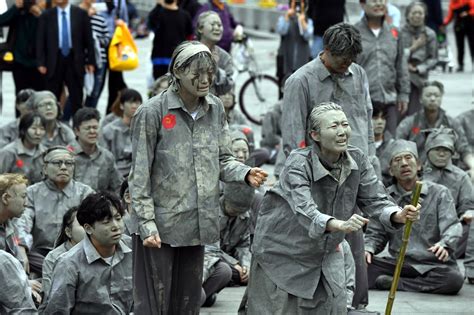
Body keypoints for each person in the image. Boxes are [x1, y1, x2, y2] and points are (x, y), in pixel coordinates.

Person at [129, 41, 267, 314]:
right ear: (177, 72)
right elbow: (139, 174)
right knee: (155, 302)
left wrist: (245, 172)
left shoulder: (215, 108)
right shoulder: (152, 112)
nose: (205, 80)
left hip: (197, 223)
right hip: (160, 226)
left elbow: (223, 159)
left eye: (210, 73)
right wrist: (147, 224)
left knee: (188, 302)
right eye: (197, 73)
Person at [247, 103, 420, 313]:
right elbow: (305, 210)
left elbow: (376, 199)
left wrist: (397, 214)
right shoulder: (297, 163)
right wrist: (339, 224)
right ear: (315, 135)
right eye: (334, 126)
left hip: (325, 249)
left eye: (345, 124)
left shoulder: (357, 159)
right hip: (281, 252)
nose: (342, 131)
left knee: (335, 306)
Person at [280, 23, 375, 310]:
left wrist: (370, 160)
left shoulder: (357, 73)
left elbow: (365, 119)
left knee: (355, 237)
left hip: (355, 170)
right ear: (326, 52)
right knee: (320, 241)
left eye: (351, 60)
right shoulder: (301, 81)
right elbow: (293, 137)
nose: (347, 65)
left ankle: (355, 304)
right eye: (341, 59)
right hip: (317, 177)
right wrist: (300, 180)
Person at [365, 139, 464, 294]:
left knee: (454, 279)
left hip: (432, 265)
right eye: (397, 160)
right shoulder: (385, 197)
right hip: (400, 263)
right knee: (360, 266)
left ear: (418, 165)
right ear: (391, 170)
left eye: (408, 158)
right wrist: (368, 249)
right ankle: (401, 281)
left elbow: (452, 225)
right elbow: (376, 233)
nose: (404, 164)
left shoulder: (439, 193)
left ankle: (395, 283)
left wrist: (445, 243)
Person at [41, 192, 133, 313]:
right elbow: (57, 310)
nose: (115, 226)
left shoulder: (134, 249)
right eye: (106, 222)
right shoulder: (69, 264)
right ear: (88, 228)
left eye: (118, 218)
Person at [16, 146, 94, 275]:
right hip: (40, 254)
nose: (63, 167)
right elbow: (23, 222)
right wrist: (21, 247)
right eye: (57, 163)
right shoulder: (32, 193)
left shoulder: (85, 193)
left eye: (68, 163)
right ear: (45, 168)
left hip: (76, 251)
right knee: (14, 252)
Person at [396, 81, 474, 178]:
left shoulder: (451, 123)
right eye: (428, 95)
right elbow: (396, 147)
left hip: (446, 174)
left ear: (441, 98)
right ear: (420, 99)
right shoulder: (409, 123)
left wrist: (472, 166)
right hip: (416, 173)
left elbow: (464, 148)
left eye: (436, 95)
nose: (432, 99)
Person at [355, 0, 410, 136]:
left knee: (391, 145)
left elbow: (401, 65)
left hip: (389, 99)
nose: (379, 4)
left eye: (382, 0)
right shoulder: (353, 33)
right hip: (361, 102)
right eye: (373, 1)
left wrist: (404, 93)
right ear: (362, 4)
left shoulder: (394, 33)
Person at [36, 0, 96, 120]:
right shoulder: (46, 15)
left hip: (75, 60)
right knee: (52, 97)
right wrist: (40, 62)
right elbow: (40, 40)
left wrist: (90, 61)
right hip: (53, 60)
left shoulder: (80, 14)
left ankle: (78, 130)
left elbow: (88, 40)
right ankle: (52, 128)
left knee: (77, 98)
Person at [422, 128, 474, 258]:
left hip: (451, 230)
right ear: (428, 151)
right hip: (421, 229)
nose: (441, 154)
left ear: (452, 153)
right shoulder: (417, 174)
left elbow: (467, 205)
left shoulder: (461, 177)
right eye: (437, 150)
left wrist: (468, 213)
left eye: (446, 150)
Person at [399, 1, 438, 115]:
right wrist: (414, 47)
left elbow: (433, 59)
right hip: (400, 79)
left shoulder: (430, 34)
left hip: (419, 80)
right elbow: (397, 55)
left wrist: (418, 68)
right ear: (407, 15)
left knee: (415, 114)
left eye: (420, 13)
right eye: (414, 13)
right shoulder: (400, 33)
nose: (417, 16)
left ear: (425, 15)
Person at [71, 107, 122, 192]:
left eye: (95, 127)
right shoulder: (67, 156)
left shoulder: (107, 157)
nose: (92, 131)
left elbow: (118, 186)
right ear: (76, 131)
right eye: (87, 128)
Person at [0, 0, 44, 96]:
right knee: (21, 96)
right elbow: (2, 21)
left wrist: (39, 13)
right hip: (19, 61)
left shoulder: (42, 10)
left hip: (39, 62)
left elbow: (51, 28)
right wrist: (15, 8)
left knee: (40, 96)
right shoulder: (17, 11)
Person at [41, 207, 85, 301]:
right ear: (68, 232)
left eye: (91, 223)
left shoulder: (102, 252)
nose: (88, 227)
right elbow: (51, 297)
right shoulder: (53, 258)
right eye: (82, 224)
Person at [96, 0, 129, 112]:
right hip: (99, 46)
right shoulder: (95, 2)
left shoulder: (120, 2)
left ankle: (110, 112)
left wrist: (122, 24)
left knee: (115, 83)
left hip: (115, 46)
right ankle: (91, 111)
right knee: (97, 82)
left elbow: (126, 23)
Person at [100, 88, 141, 177]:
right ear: (122, 105)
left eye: (137, 103)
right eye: (131, 102)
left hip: (138, 173)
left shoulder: (146, 128)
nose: (134, 106)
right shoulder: (109, 130)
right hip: (116, 173)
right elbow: (104, 158)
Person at [148, 0, 193, 80]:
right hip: (159, 59)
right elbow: (151, 25)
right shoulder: (158, 13)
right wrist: (158, 5)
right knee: (159, 87)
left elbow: (189, 37)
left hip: (178, 60)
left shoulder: (185, 15)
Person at [80, 0, 111, 109]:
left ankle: (90, 114)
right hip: (82, 59)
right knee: (77, 90)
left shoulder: (100, 19)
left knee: (95, 92)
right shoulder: (78, 16)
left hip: (99, 59)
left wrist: (96, 41)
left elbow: (107, 38)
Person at [0, 112, 47, 185]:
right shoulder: (9, 152)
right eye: (33, 128)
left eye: (42, 129)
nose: (38, 133)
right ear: (23, 130)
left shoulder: (45, 153)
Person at [196, 11, 234, 96]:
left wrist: (215, 68)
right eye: (212, 25)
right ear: (200, 29)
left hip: (212, 106)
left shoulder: (224, 57)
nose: (217, 28)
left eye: (219, 25)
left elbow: (226, 89)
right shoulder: (187, 52)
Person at [276, 0, 313, 85]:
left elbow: (308, 36)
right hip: (286, 58)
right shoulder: (284, 19)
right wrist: (287, 17)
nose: (297, 4)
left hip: (302, 60)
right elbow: (281, 31)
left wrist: (303, 22)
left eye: (300, 2)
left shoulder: (308, 21)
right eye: (294, 2)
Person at [0, 173, 28, 261]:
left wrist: (21, 248)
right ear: (5, 198)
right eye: (23, 197)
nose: (26, 203)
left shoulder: (9, 221)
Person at [443, 0, 474, 72]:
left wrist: (467, 13)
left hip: (470, 25)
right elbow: (450, 16)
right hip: (458, 26)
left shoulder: (468, 1)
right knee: (460, 46)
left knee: (472, 45)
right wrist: (443, 23)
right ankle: (460, 64)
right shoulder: (453, 3)